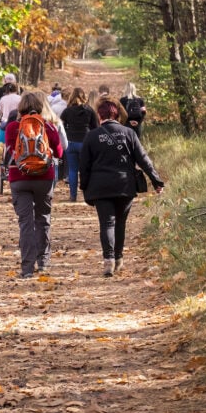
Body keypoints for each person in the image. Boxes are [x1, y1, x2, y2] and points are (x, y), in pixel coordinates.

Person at [79, 96, 164, 277]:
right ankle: (118, 258)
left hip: (100, 187)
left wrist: (84, 187)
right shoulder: (129, 133)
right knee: (120, 224)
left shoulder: (91, 136)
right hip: (125, 186)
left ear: (99, 115)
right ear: (117, 114)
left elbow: (84, 166)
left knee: (107, 223)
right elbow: (143, 159)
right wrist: (156, 181)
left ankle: (108, 259)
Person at [5, 92, 63, 278]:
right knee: (43, 218)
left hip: (19, 178)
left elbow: (9, 151)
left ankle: (27, 268)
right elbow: (60, 153)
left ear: (21, 107)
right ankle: (43, 262)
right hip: (44, 178)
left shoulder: (13, 127)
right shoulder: (49, 127)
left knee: (26, 223)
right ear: (40, 107)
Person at [59, 87, 99, 202]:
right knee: (85, 169)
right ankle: (89, 194)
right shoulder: (89, 110)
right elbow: (95, 127)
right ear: (83, 96)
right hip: (85, 144)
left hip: (71, 143)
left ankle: (73, 196)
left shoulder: (67, 111)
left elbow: (62, 126)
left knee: (72, 170)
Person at [0, 82, 22, 155]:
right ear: (17, 89)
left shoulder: (3, 99)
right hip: (17, 124)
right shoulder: (20, 98)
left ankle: (5, 160)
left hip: (5, 124)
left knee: (6, 144)